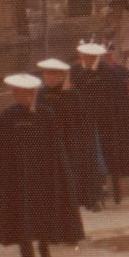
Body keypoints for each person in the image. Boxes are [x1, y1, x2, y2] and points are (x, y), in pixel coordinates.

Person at [0, 74, 84, 257]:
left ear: (30, 93)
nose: (13, 94)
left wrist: (59, 174)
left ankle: (44, 248)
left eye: (17, 91)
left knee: (42, 217)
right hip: (17, 179)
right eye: (13, 91)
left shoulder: (46, 115)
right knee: (23, 221)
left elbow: (56, 148)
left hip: (43, 177)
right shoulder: (7, 116)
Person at [71, 42, 129, 205]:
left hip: (108, 122)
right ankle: (98, 185)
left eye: (89, 57)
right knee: (92, 154)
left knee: (110, 152)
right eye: (84, 56)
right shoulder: (76, 72)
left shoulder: (109, 73)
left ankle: (114, 179)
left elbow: (120, 99)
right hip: (86, 122)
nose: (86, 59)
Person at [37, 58, 104, 211]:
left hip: (69, 143)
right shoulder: (41, 94)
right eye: (47, 74)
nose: (49, 77)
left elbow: (78, 122)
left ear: (62, 76)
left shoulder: (72, 94)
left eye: (54, 74)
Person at [99, 0, 129, 72]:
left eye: (120, 4)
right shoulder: (109, 17)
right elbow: (104, 36)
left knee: (127, 73)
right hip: (115, 50)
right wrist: (112, 28)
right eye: (116, 5)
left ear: (123, 5)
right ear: (113, 6)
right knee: (115, 72)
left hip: (128, 50)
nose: (118, 7)